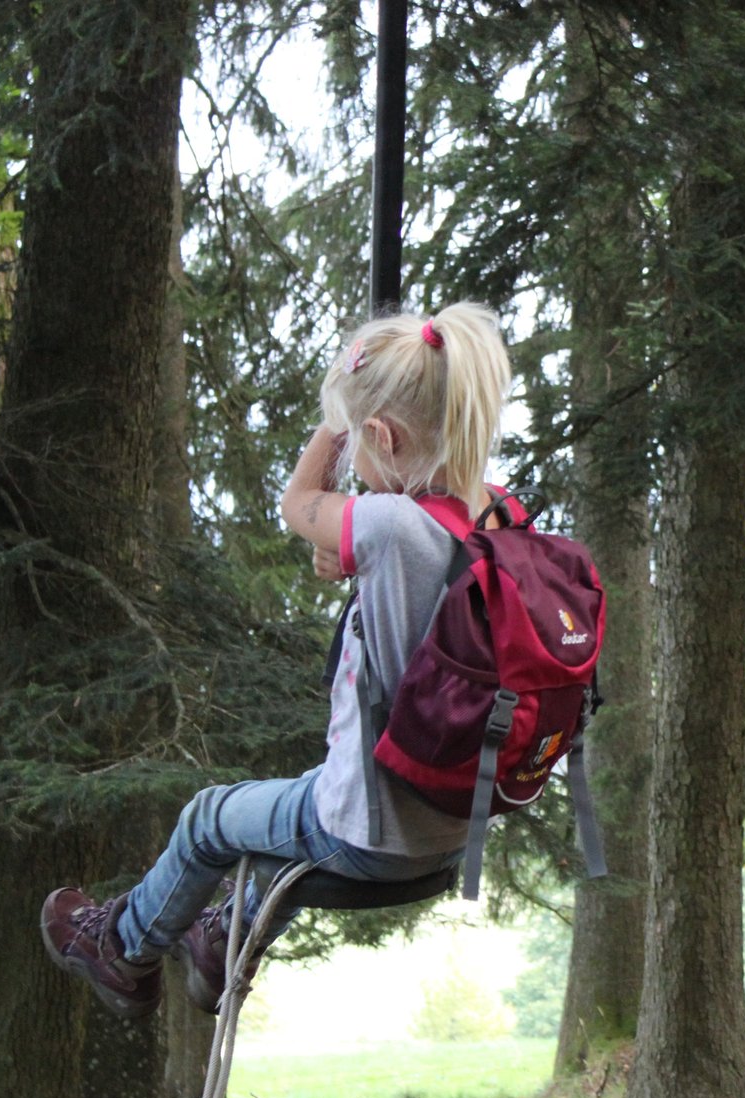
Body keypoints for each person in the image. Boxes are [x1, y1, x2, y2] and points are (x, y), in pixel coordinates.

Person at [40, 303, 514, 1020]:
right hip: (449, 829)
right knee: (296, 800)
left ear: (380, 435)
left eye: (360, 440)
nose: (351, 455)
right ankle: (218, 938)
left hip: (371, 830)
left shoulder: (387, 527)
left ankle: (123, 949)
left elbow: (297, 502)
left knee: (210, 817)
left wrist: (339, 408)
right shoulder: (496, 516)